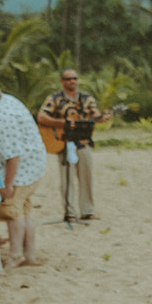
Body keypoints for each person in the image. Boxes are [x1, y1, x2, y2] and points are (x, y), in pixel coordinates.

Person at [0, 79, 47, 268]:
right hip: (35, 162)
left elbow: (12, 156)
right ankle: (29, 255)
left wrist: (7, 184)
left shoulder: (2, 118)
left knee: (12, 211)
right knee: (24, 209)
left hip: (22, 168)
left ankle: (16, 255)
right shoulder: (7, 100)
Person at [37, 69, 110, 222]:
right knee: (67, 179)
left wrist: (103, 117)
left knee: (86, 177)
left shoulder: (87, 98)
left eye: (75, 78)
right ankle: (70, 212)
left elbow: (95, 115)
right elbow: (42, 116)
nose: (72, 81)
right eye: (68, 79)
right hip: (64, 142)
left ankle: (87, 210)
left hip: (84, 143)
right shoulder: (55, 99)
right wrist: (62, 123)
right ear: (62, 81)